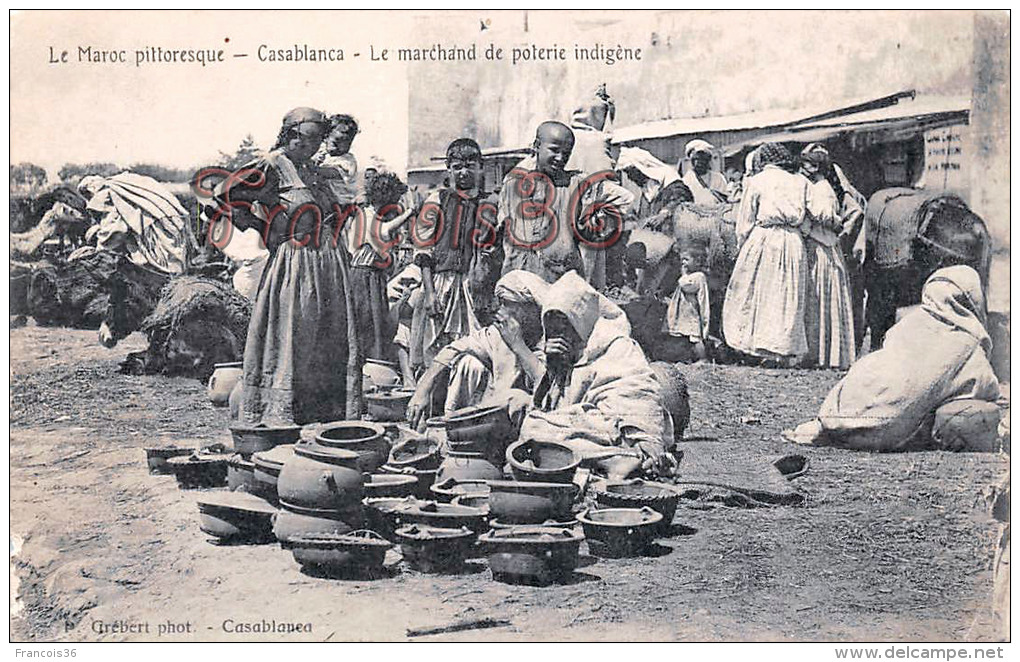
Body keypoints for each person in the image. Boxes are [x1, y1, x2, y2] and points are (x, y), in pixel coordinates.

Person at [212, 107, 361, 425]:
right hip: (294, 263)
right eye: (312, 138)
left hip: (328, 263)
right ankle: (281, 410)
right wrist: (265, 229)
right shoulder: (272, 163)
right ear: (292, 133)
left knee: (325, 337)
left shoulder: (310, 167)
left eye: (321, 139)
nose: (318, 145)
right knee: (294, 333)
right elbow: (224, 195)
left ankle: (322, 412)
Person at [783, 266, 1001, 452]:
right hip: (882, 431)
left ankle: (837, 421)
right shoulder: (967, 343)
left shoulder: (908, 323)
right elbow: (986, 387)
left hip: (837, 416)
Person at [518, 271, 676, 479]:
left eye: (565, 321)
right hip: (582, 428)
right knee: (533, 426)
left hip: (619, 432)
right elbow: (553, 406)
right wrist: (555, 366)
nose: (559, 330)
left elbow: (638, 393)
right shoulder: (561, 350)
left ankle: (621, 459)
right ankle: (613, 460)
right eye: (552, 323)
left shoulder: (616, 345)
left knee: (535, 430)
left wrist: (646, 441)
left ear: (581, 317)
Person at [405, 270, 549, 429]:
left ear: (529, 308)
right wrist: (422, 390)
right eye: (499, 302)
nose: (500, 310)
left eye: (506, 303)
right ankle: (453, 426)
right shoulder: (500, 333)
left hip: (536, 417)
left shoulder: (550, 336)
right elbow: (454, 349)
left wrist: (518, 345)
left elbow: (545, 385)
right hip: (499, 412)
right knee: (468, 363)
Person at [499, 120, 633, 289]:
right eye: (554, 150)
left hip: (562, 279)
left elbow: (624, 198)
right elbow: (502, 229)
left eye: (566, 153)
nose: (560, 158)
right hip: (519, 276)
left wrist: (598, 221)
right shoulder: (514, 182)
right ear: (536, 146)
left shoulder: (576, 184)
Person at [405, 138, 500, 373]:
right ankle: (434, 404)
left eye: (470, 166)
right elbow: (424, 251)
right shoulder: (437, 200)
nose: (464, 172)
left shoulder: (491, 203)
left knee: (474, 349)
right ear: (449, 169)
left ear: (481, 167)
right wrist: (429, 293)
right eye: (457, 167)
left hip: (474, 287)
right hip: (441, 285)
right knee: (436, 349)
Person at [722, 142, 809, 366]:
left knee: (760, 291)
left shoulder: (757, 181)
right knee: (786, 293)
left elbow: (746, 218)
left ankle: (760, 347)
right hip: (792, 239)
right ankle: (783, 349)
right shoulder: (800, 181)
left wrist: (742, 244)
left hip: (765, 238)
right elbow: (807, 218)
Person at [345, 171, 415, 362]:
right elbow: (382, 234)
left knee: (377, 321)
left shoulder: (373, 215)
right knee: (367, 321)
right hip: (363, 275)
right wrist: (409, 213)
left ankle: (374, 362)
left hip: (372, 275)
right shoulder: (367, 216)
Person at [799, 143, 857, 369]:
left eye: (806, 164)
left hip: (822, 246)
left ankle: (821, 354)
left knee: (819, 297)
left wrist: (807, 219)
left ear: (815, 167)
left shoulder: (821, 188)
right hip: (823, 244)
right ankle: (821, 353)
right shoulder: (822, 187)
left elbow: (826, 216)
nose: (803, 168)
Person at [662, 244, 711, 362]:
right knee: (683, 334)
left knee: (695, 337)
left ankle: (703, 358)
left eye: (687, 259)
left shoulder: (699, 276)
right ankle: (687, 356)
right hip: (683, 311)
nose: (683, 262)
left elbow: (686, 286)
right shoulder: (689, 275)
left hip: (691, 311)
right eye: (682, 259)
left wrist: (683, 274)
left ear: (697, 262)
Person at [315, 113, 360, 207]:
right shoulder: (322, 152)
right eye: (335, 142)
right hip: (325, 197)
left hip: (341, 202)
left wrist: (313, 168)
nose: (341, 146)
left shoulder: (347, 160)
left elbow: (333, 172)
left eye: (347, 143)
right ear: (326, 138)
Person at [680, 139, 728, 205]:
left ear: (708, 160)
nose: (700, 162)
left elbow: (725, 199)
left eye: (704, 159)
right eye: (697, 159)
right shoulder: (686, 182)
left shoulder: (719, 178)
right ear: (692, 161)